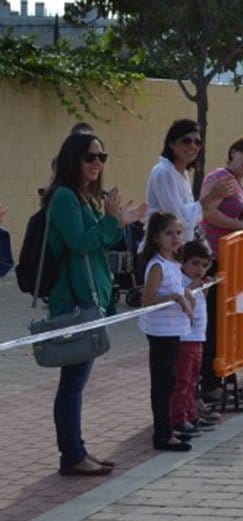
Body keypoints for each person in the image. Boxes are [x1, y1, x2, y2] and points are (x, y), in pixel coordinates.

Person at [44, 133, 147, 475]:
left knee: (76, 381)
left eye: (102, 157)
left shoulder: (84, 197)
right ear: (72, 159)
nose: (97, 164)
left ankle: (77, 450)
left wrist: (119, 221)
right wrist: (111, 220)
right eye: (89, 157)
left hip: (91, 297)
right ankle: (72, 456)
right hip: (74, 299)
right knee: (72, 383)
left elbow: (103, 242)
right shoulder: (64, 197)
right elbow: (80, 243)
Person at [196, 135, 243, 399]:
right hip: (214, 258)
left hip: (232, 261)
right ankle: (210, 382)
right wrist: (241, 226)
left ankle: (219, 377)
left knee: (226, 321)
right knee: (213, 322)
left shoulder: (239, 184)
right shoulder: (220, 177)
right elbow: (207, 212)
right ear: (233, 152)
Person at [139, 212, 193, 452]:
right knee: (162, 383)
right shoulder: (157, 265)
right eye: (169, 233)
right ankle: (162, 434)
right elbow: (147, 300)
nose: (175, 238)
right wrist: (174, 298)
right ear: (156, 237)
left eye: (178, 233)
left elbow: (178, 288)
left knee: (170, 381)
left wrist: (186, 293)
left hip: (173, 330)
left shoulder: (174, 264)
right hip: (160, 332)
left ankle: (168, 427)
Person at [145, 119, 234, 245]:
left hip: (178, 249)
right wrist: (211, 197)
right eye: (186, 141)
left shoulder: (182, 174)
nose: (193, 146)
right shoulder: (164, 172)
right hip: (160, 250)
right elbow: (177, 219)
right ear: (172, 143)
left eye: (198, 142)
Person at [171, 239, 215, 437]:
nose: (200, 270)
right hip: (184, 338)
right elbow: (184, 306)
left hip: (197, 337)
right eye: (195, 263)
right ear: (183, 262)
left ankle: (191, 414)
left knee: (193, 380)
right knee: (182, 380)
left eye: (204, 265)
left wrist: (203, 290)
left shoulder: (197, 284)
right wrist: (192, 288)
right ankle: (179, 418)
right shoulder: (180, 282)